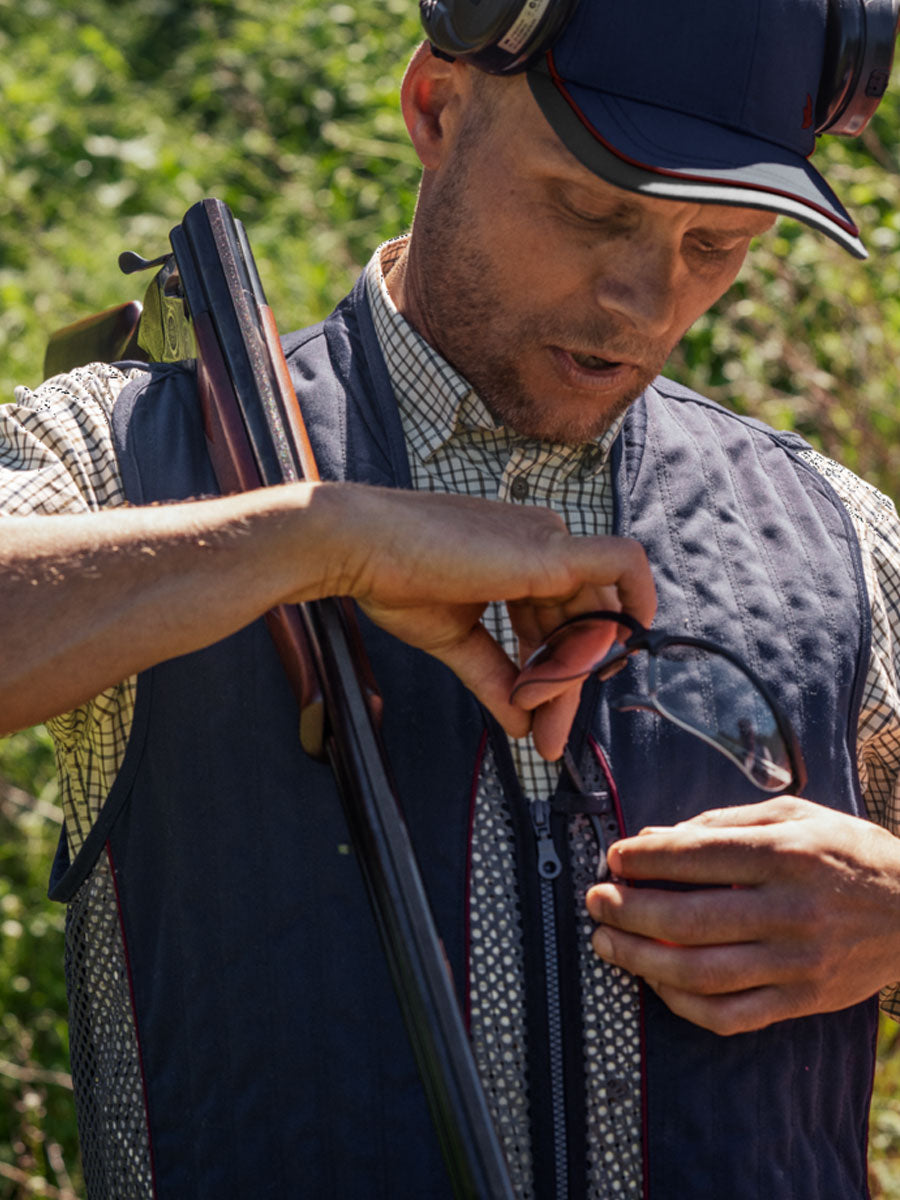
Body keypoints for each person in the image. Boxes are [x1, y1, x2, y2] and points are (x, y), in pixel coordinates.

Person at [2, 0, 900, 1196]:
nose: (645, 299)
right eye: (591, 207)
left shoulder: (841, 527)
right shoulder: (123, 456)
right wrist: (307, 540)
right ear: (436, 106)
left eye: (718, 244)